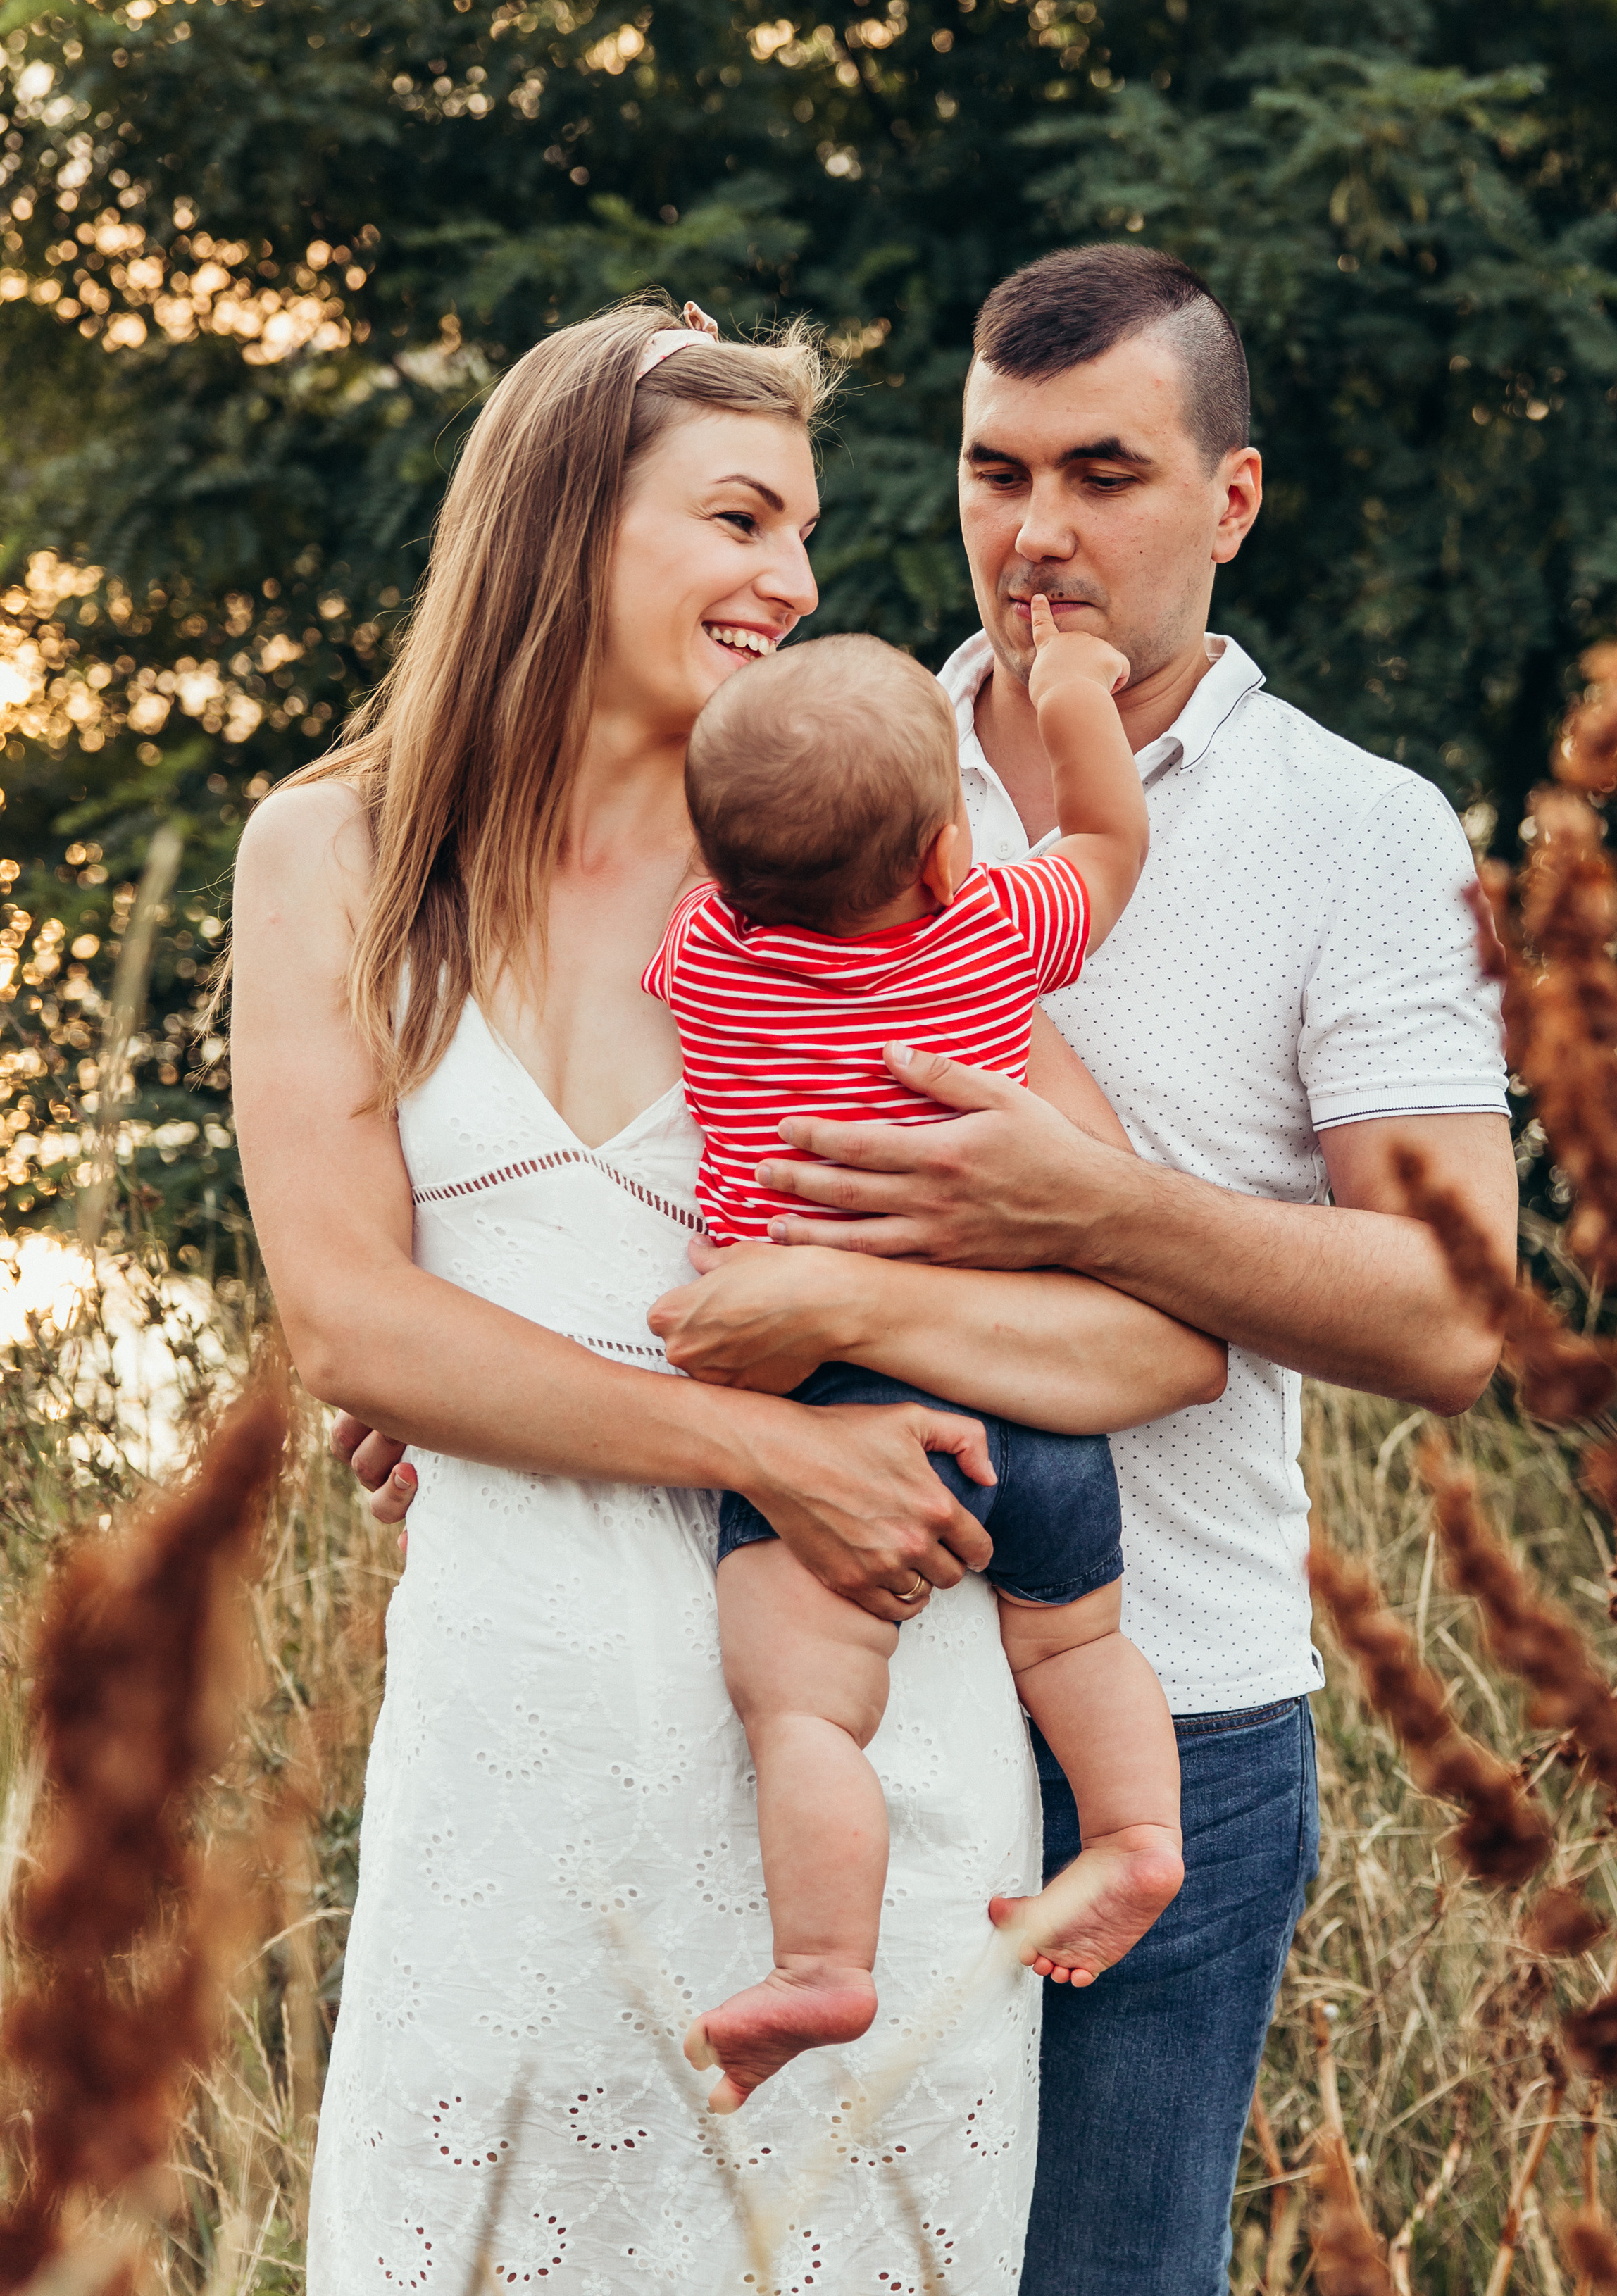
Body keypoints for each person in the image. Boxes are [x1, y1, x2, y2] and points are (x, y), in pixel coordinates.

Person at [232, 292, 1222, 2290]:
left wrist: (837, 1355)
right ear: (568, 522)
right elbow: (352, 1323)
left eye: (807, 536)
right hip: (510, 1776)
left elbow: (1157, 1332)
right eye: (743, 519)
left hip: (872, 1773)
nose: (797, 580)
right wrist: (764, 1438)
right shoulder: (330, 856)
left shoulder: (843, 876)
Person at [590, 245, 1518, 2291]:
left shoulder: (1358, 833)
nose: (1037, 535)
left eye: (1103, 472)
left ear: (1231, 500)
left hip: (1161, 1702)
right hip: (792, 1677)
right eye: (997, 473)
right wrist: (491, 1402)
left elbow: (1455, 1317)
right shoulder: (788, 765)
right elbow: (645, 1152)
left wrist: (1079, 1203)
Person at [656, 616, 1197, 2116]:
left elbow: (712, 887)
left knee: (806, 1709)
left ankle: (825, 1958)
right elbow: (1104, 833)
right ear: (951, 852)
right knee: (1074, 1644)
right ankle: (1135, 1832)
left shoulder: (707, 965)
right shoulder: (984, 933)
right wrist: (1077, 693)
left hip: (825, 1399)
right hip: (1015, 1378)